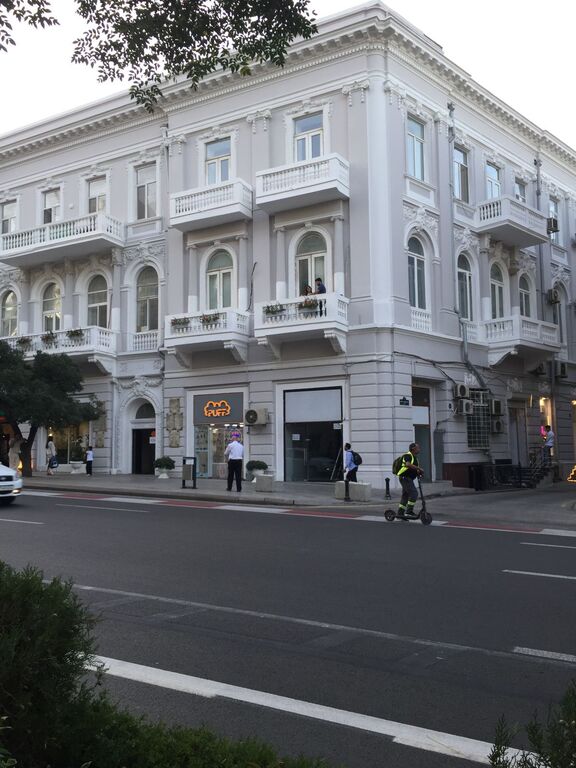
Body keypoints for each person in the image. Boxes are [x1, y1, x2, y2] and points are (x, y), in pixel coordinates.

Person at [396, 442, 424, 518]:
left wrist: (419, 472)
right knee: (414, 493)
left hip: (408, 478)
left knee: (405, 495)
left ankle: (400, 514)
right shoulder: (408, 455)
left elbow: (413, 469)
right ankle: (409, 511)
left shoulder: (415, 458)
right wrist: (419, 468)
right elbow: (408, 464)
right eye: (418, 448)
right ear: (413, 449)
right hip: (405, 478)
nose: (419, 449)